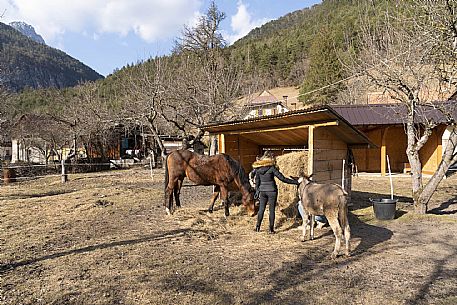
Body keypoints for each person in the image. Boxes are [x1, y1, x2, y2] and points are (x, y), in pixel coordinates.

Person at [253, 152, 299, 234]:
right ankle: (271, 229)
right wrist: (295, 182)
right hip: (272, 191)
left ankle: (257, 227)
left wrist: (257, 191)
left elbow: (257, 182)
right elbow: (283, 179)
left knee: (261, 209)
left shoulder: (258, 169)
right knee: (271, 210)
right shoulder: (272, 168)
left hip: (262, 191)